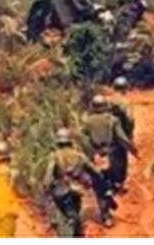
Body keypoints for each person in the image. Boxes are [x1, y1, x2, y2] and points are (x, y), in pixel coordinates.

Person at [82, 95, 136, 226]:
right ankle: (109, 197)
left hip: (95, 157)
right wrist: (132, 149)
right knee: (112, 181)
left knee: (99, 185)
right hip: (111, 156)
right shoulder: (113, 120)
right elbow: (121, 138)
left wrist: (90, 155)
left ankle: (106, 215)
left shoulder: (87, 122)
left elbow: (83, 140)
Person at [43, 128, 107, 236]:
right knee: (76, 212)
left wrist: (47, 188)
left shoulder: (54, 156)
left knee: (60, 213)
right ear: (70, 142)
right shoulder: (80, 156)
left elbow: (47, 178)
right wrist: (101, 179)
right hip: (77, 190)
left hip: (61, 191)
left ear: (58, 143)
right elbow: (95, 171)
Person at [108, 79, 135, 193]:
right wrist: (129, 133)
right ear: (125, 88)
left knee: (113, 157)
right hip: (122, 132)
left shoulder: (108, 101)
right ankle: (120, 183)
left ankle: (114, 180)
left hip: (110, 133)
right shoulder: (124, 102)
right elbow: (130, 119)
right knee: (122, 157)